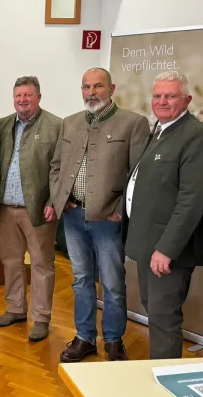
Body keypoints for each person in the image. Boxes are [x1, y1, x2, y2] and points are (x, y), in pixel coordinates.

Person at [49, 67, 150, 362]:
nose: (91, 93)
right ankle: (84, 338)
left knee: (112, 283)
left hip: (109, 220)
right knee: (81, 280)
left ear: (112, 88)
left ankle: (114, 340)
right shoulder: (70, 123)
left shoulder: (133, 124)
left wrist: (120, 212)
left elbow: (138, 174)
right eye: (86, 87)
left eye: (97, 86)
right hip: (73, 216)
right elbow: (56, 167)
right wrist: (61, 199)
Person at [122, 71, 203, 359]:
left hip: (166, 251)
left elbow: (191, 199)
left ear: (187, 99)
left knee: (164, 317)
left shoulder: (197, 136)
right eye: (158, 96)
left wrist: (166, 248)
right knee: (155, 310)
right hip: (146, 243)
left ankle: (165, 379)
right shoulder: (160, 130)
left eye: (170, 95)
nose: (162, 101)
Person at [0, 76, 62, 342]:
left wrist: (54, 202)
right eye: (18, 95)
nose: (23, 100)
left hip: (39, 211)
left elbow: (61, 169)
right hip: (7, 209)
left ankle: (41, 317)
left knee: (42, 264)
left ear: (38, 97)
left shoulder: (56, 126)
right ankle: (15, 308)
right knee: (11, 262)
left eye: (28, 95)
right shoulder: (2, 125)